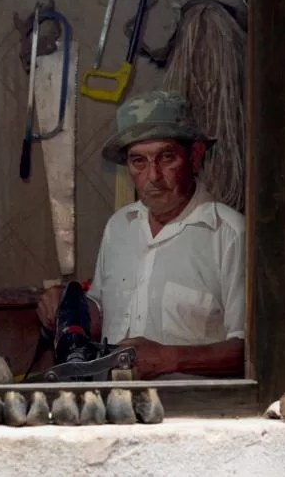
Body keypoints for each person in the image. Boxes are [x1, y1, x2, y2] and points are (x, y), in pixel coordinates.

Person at [36, 90, 246, 379]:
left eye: (167, 157)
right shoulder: (120, 226)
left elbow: (250, 351)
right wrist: (68, 306)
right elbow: (102, 316)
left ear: (195, 156)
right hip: (116, 410)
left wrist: (170, 358)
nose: (153, 177)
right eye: (139, 162)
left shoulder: (231, 235)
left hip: (195, 414)